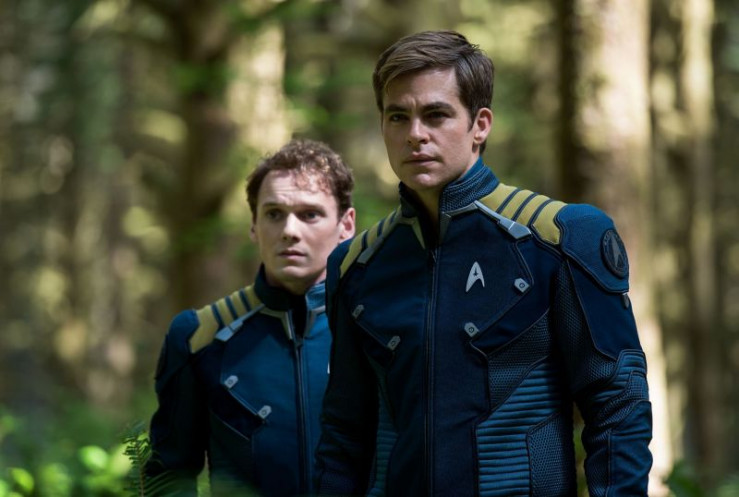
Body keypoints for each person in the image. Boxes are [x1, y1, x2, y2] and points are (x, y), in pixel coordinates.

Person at [315, 30, 652, 496]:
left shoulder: (560, 238)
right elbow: (343, 436)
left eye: (436, 115)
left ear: (481, 125)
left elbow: (618, 403)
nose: (415, 135)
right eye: (398, 116)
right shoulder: (355, 266)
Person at [145, 139, 356, 496]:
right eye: (274, 214)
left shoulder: (377, 327)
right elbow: (169, 476)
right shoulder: (200, 336)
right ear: (254, 225)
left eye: (309, 214)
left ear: (345, 225)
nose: (290, 230)